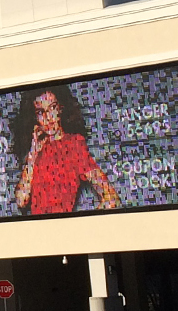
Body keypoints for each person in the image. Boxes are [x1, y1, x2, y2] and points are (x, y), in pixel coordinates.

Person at [11, 86, 120, 215]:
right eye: (40, 112)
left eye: (52, 108)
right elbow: (21, 201)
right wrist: (32, 155)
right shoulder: (35, 151)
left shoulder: (74, 145)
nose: (48, 117)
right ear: (34, 117)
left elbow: (111, 198)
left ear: (61, 109)